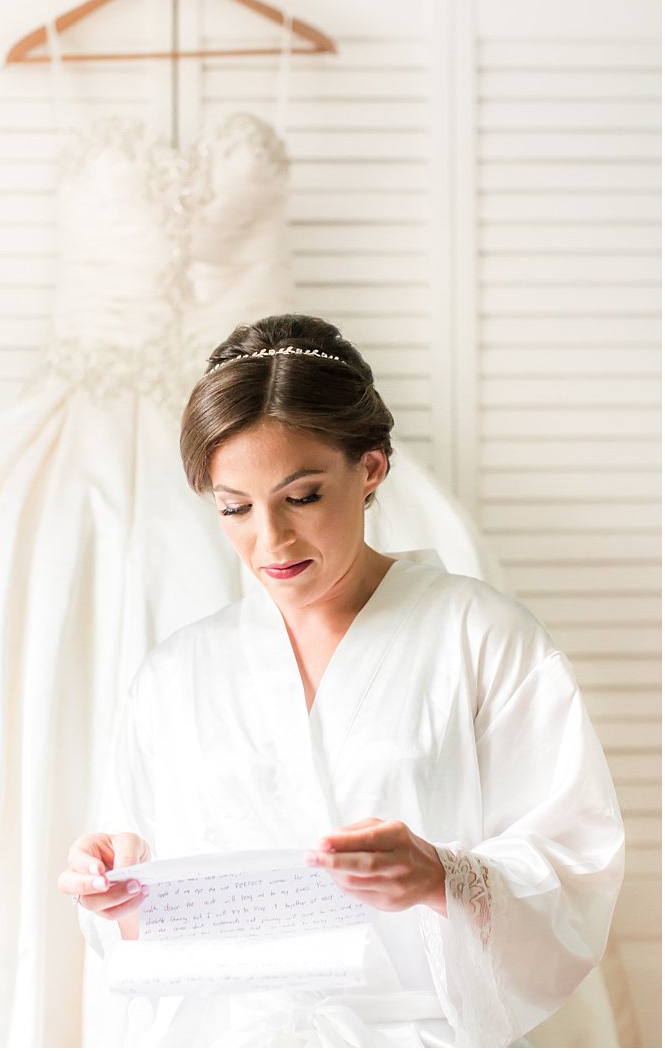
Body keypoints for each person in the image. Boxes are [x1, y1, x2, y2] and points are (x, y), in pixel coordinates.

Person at [60, 314, 624, 1047]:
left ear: (371, 469)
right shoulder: (175, 678)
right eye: (235, 507)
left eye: (301, 496)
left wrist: (439, 876)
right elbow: (145, 936)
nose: (271, 539)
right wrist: (118, 891)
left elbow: (576, 862)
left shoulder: (482, 638)